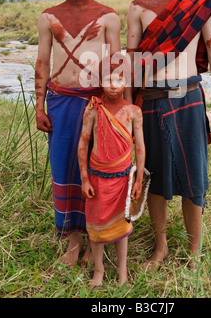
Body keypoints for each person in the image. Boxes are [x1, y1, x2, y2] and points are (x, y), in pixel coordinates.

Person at [126, 0, 211, 270]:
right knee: (154, 177)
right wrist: (128, 110)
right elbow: (131, 62)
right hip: (151, 102)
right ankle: (161, 248)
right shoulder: (139, 9)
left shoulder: (200, 4)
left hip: (189, 98)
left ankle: (193, 251)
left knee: (194, 180)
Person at [35, 0, 121, 267]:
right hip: (59, 101)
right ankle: (72, 240)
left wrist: (114, 109)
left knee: (95, 170)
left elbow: (116, 66)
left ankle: (94, 239)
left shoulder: (108, 17)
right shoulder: (49, 16)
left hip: (95, 103)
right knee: (64, 167)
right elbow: (42, 62)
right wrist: (39, 107)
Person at [77, 54, 145, 286]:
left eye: (119, 80)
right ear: (99, 82)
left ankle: (122, 271)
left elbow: (141, 148)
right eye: (108, 80)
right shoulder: (93, 109)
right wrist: (85, 179)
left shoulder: (134, 111)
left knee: (121, 226)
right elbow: (83, 144)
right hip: (97, 179)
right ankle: (99, 269)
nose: (113, 86)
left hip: (123, 181)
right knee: (95, 226)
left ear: (126, 82)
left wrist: (137, 181)